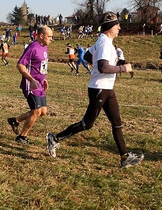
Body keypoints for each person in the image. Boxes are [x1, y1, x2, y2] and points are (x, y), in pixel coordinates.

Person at [46, 11, 144, 168]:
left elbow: (87, 57)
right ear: (110, 26)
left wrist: (111, 65)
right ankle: (55, 138)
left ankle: (124, 157)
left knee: (116, 121)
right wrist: (123, 68)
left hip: (106, 88)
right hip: (99, 88)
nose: (119, 27)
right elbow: (103, 67)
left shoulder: (102, 41)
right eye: (117, 24)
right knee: (87, 124)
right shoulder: (105, 43)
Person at [7, 26, 53, 144]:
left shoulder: (44, 47)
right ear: (41, 36)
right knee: (36, 111)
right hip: (31, 85)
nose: (51, 39)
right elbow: (20, 65)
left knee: (43, 112)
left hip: (40, 84)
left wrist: (44, 79)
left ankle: (15, 120)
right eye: (49, 36)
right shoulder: (32, 47)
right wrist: (31, 79)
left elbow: (41, 66)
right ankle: (22, 136)